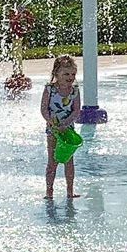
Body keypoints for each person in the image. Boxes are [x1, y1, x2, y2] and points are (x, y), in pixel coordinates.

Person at [40, 55, 81, 200]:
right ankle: (49, 191)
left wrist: (66, 123)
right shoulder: (50, 89)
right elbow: (44, 109)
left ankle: (70, 191)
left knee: (69, 161)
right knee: (53, 161)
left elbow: (76, 111)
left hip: (68, 130)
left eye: (73, 74)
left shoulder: (74, 90)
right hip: (53, 131)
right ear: (56, 73)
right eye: (66, 74)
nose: (70, 77)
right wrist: (51, 121)